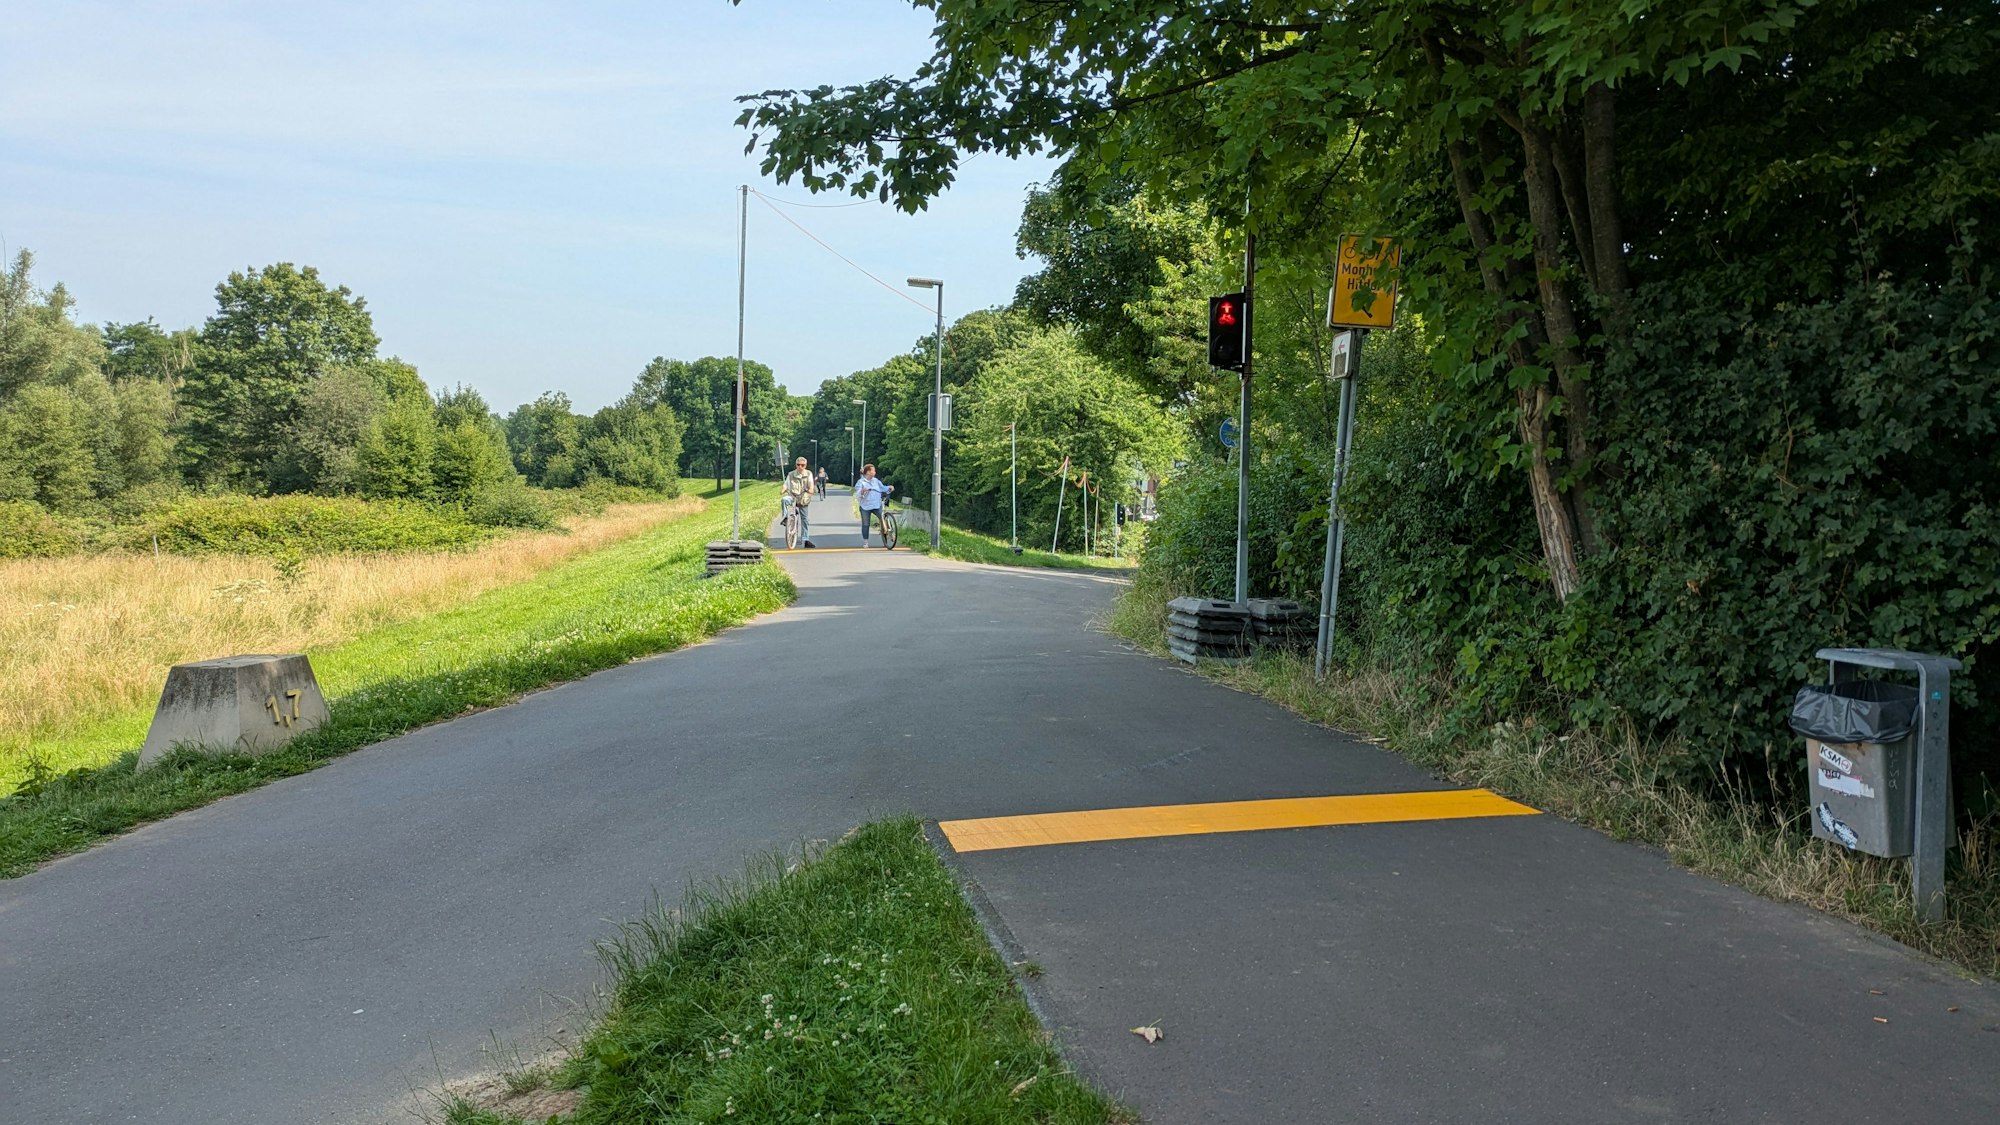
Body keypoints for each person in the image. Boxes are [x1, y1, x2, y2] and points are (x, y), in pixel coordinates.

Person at [855, 463, 893, 546]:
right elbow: (857, 493)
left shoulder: (876, 481)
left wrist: (889, 488)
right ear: (868, 472)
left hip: (876, 504)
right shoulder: (861, 482)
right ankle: (866, 542)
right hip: (865, 506)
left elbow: (883, 488)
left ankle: (887, 531)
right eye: (873, 471)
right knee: (866, 524)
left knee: (882, 516)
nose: (875, 472)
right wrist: (862, 491)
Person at [783, 456, 817, 547]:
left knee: (805, 519)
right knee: (784, 500)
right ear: (796, 465)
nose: (800, 467)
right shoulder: (791, 474)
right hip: (793, 496)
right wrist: (783, 489)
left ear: (805, 465)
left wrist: (810, 490)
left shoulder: (808, 474)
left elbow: (811, 485)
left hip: (803, 498)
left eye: (802, 465)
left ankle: (805, 540)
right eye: (798, 465)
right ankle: (786, 518)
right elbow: (786, 484)